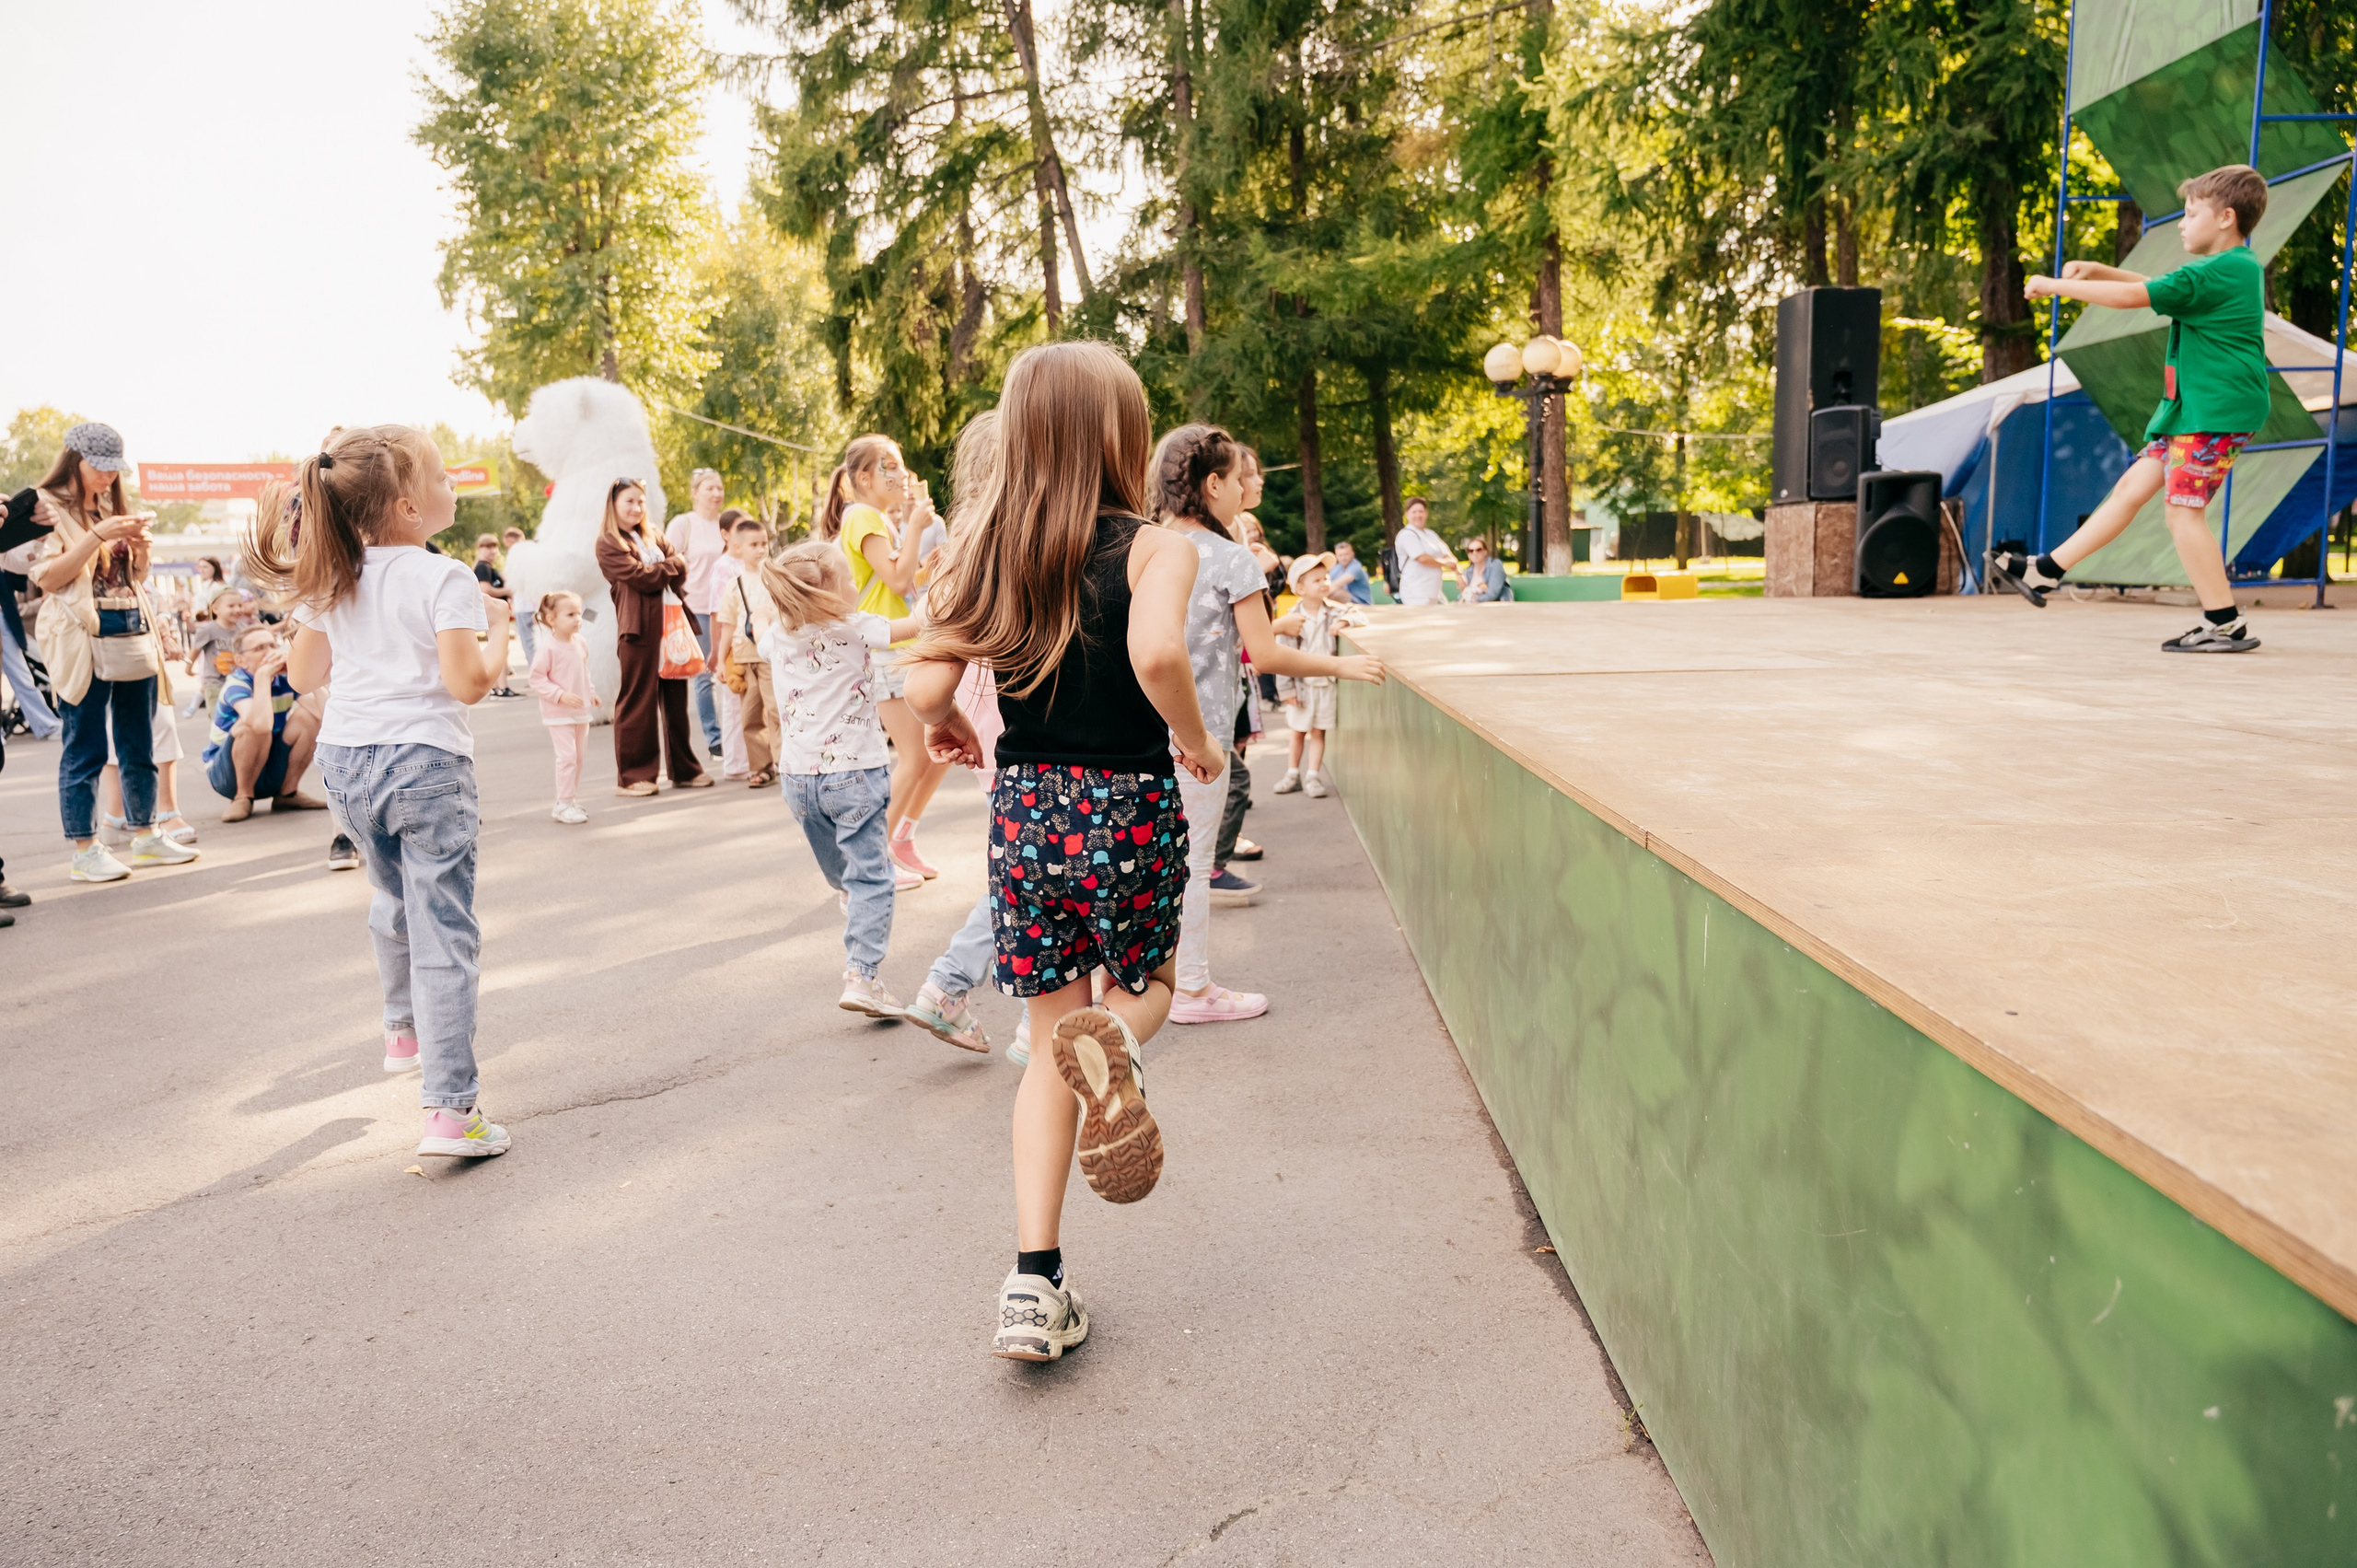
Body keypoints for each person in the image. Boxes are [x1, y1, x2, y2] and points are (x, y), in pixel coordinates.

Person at [904, 340, 1223, 1363]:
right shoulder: (1156, 546)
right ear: (1123, 434)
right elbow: (1160, 654)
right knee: (1152, 983)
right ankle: (1120, 1039)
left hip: (1025, 812)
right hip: (1126, 801)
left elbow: (919, 688)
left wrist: (949, 719)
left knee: (1048, 1038)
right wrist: (1197, 737)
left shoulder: (984, 548)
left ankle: (1032, 1286)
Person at [257, 423, 516, 1156]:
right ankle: (450, 1111)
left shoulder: (332, 574)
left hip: (346, 764)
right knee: (446, 930)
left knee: (393, 896)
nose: (451, 485)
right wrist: (498, 635)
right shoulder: (445, 576)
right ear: (407, 506)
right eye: (440, 476)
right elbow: (466, 683)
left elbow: (305, 677)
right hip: (425, 766)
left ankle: (402, 1028)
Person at [1150, 423, 1386, 1023]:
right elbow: (1268, 653)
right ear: (1212, 485)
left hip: (1144, 728)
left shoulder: (1145, 544)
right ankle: (1194, 989)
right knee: (1194, 864)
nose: (1242, 487)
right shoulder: (1234, 558)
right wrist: (1343, 665)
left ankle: (1138, 980)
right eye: (1236, 478)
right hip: (1201, 735)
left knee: (1150, 862)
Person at [1997, 166, 2271, 653]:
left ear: (2226, 218)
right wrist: (2100, 271)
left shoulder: (2227, 270)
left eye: (2190, 214)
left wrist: (2054, 285)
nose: (2182, 224)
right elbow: (2155, 288)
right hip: (2192, 411)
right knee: (2131, 488)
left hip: (2215, 412)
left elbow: (2133, 298)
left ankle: (2224, 623)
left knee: (2182, 515)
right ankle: (2047, 570)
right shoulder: (2223, 272)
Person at [757, 541, 922, 1016]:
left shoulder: (777, 634)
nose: (855, 587)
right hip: (854, 774)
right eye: (849, 581)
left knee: (847, 878)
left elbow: (761, 638)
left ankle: (852, 903)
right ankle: (862, 977)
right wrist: (938, 598)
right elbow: (912, 627)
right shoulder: (853, 626)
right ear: (829, 594)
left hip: (799, 779)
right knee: (872, 878)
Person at [30, 422, 200, 881]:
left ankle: (145, 835)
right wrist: (98, 535)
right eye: (98, 468)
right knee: (84, 745)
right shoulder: (45, 506)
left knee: (137, 740)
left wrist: (141, 551)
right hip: (82, 637)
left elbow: (133, 580)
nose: (107, 477)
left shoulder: (110, 504)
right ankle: (85, 849)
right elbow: (47, 578)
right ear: (74, 460)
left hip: (132, 631)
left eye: (112, 469)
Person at [903, 410, 1006, 1057]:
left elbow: (925, 636)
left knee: (1025, 872)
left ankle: (964, 991)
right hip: (1020, 737)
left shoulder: (962, 553)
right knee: (1028, 878)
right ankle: (949, 983)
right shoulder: (1023, 547)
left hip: (983, 732)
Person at [818, 436, 943, 890]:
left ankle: (901, 836)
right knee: (915, 756)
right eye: (888, 466)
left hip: (900, 644)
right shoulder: (864, 516)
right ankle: (871, 863)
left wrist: (923, 560)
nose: (900, 473)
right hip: (886, 650)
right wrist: (913, 527)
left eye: (900, 464)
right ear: (863, 477)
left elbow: (897, 580)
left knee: (935, 751)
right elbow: (894, 577)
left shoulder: (870, 518)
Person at [595, 478, 710, 795]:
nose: (636, 507)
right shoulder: (608, 542)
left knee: (676, 701)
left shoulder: (653, 535)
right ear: (614, 505)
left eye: (641, 501)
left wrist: (670, 565)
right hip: (638, 629)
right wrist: (672, 565)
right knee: (638, 701)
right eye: (629, 501)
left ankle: (684, 770)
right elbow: (640, 578)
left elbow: (679, 566)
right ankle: (633, 776)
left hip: (671, 625)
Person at [201, 622, 326, 820]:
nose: (269, 652)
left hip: (267, 763)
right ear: (241, 660)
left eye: (272, 645)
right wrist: (262, 676)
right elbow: (260, 725)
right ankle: (242, 797)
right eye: (259, 648)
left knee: (307, 717)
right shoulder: (237, 684)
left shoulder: (284, 679)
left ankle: (287, 794)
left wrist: (307, 677)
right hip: (226, 774)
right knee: (248, 725)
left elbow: (326, 716)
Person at [712, 512, 780, 788]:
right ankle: (761, 767)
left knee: (776, 710)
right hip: (743, 658)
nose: (761, 549)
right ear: (738, 547)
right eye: (754, 545)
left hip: (771, 657)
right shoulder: (734, 584)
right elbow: (727, 625)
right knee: (750, 716)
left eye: (764, 543)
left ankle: (785, 762)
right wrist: (720, 660)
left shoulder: (776, 578)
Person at [1272, 553, 1349, 796]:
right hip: (1301, 685)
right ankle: (1292, 773)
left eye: (1325, 577)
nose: (1324, 582)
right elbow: (1281, 654)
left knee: (1319, 731)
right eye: (1316, 580)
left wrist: (1345, 620)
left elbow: (1359, 614)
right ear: (1300, 588)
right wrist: (1286, 689)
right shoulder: (1291, 618)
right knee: (1298, 731)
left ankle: (1313, 776)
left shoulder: (1334, 612)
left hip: (1325, 684)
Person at [667, 468, 731, 753]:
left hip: (729, 609)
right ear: (695, 493)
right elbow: (668, 563)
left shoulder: (727, 524)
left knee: (733, 671)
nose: (717, 493)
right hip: (698, 609)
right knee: (705, 674)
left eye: (719, 488)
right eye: (710, 488)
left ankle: (736, 734)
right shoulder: (684, 524)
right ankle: (715, 738)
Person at [526, 590, 599, 823]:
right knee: (567, 757)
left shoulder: (581, 643)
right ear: (552, 620)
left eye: (579, 613)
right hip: (558, 713)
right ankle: (564, 804)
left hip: (581, 712)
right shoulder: (548, 648)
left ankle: (568, 800)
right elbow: (536, 678)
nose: (578, 619)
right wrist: (560, 695)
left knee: (578, 757)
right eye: (570, 614)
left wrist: (592, 692)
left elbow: (583, 672)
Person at [183, 589, 256, 714]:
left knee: (240, 718)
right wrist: (188, 668)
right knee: (218, 718)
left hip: (239, 681)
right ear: (216, 609)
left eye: (240, 605)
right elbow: (195, 651)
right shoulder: (208, 630)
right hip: (215, 683)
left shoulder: (243, 629)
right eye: (231, 606)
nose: (237, 609)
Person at [471, 534, 519, 696]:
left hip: (493, 614)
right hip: (493, 614)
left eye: (494, 547)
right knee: (501, 650)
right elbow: (485, 590)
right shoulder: (483, 567)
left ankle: (497, 687)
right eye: (488, 547)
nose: (492, 551)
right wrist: (508, 591)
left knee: (500, 650)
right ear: (480, 549)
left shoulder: (487, 567)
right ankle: (502, 687)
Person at [1392, 497, 1455, 606]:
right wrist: (1445, 563)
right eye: (1414, 512)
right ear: (1407, 515)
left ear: (1426, 513)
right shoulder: (1406, 534)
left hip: (1434, 592)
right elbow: (1422, 558)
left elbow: (1448, 554)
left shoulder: (1431, 534)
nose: (1418, 515)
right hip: (1415, 593)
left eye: (1421, 511)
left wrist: (1459, 574)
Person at [1458, 536, 1512, 603]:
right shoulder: (1467, 571)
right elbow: (1463, 594)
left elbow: (1492, 594)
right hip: (1473, 608)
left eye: (1478, 550)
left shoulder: (1495, 565)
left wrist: (1472, 599)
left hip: (1497, 607)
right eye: (1471, 551)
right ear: (1468, 554)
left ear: (1485, 552)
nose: (1474, 553)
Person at [1329, 539, 1375, 604]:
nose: (1343, 558)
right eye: (1340, 555)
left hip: (1362, 603)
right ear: (1336, 556)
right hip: (1349, 601)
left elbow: (1337, 584)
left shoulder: (1356, 567)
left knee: (1337, 593)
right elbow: (1328, 582)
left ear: (1352, 554)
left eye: (1346, 554)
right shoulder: (1337, 568)